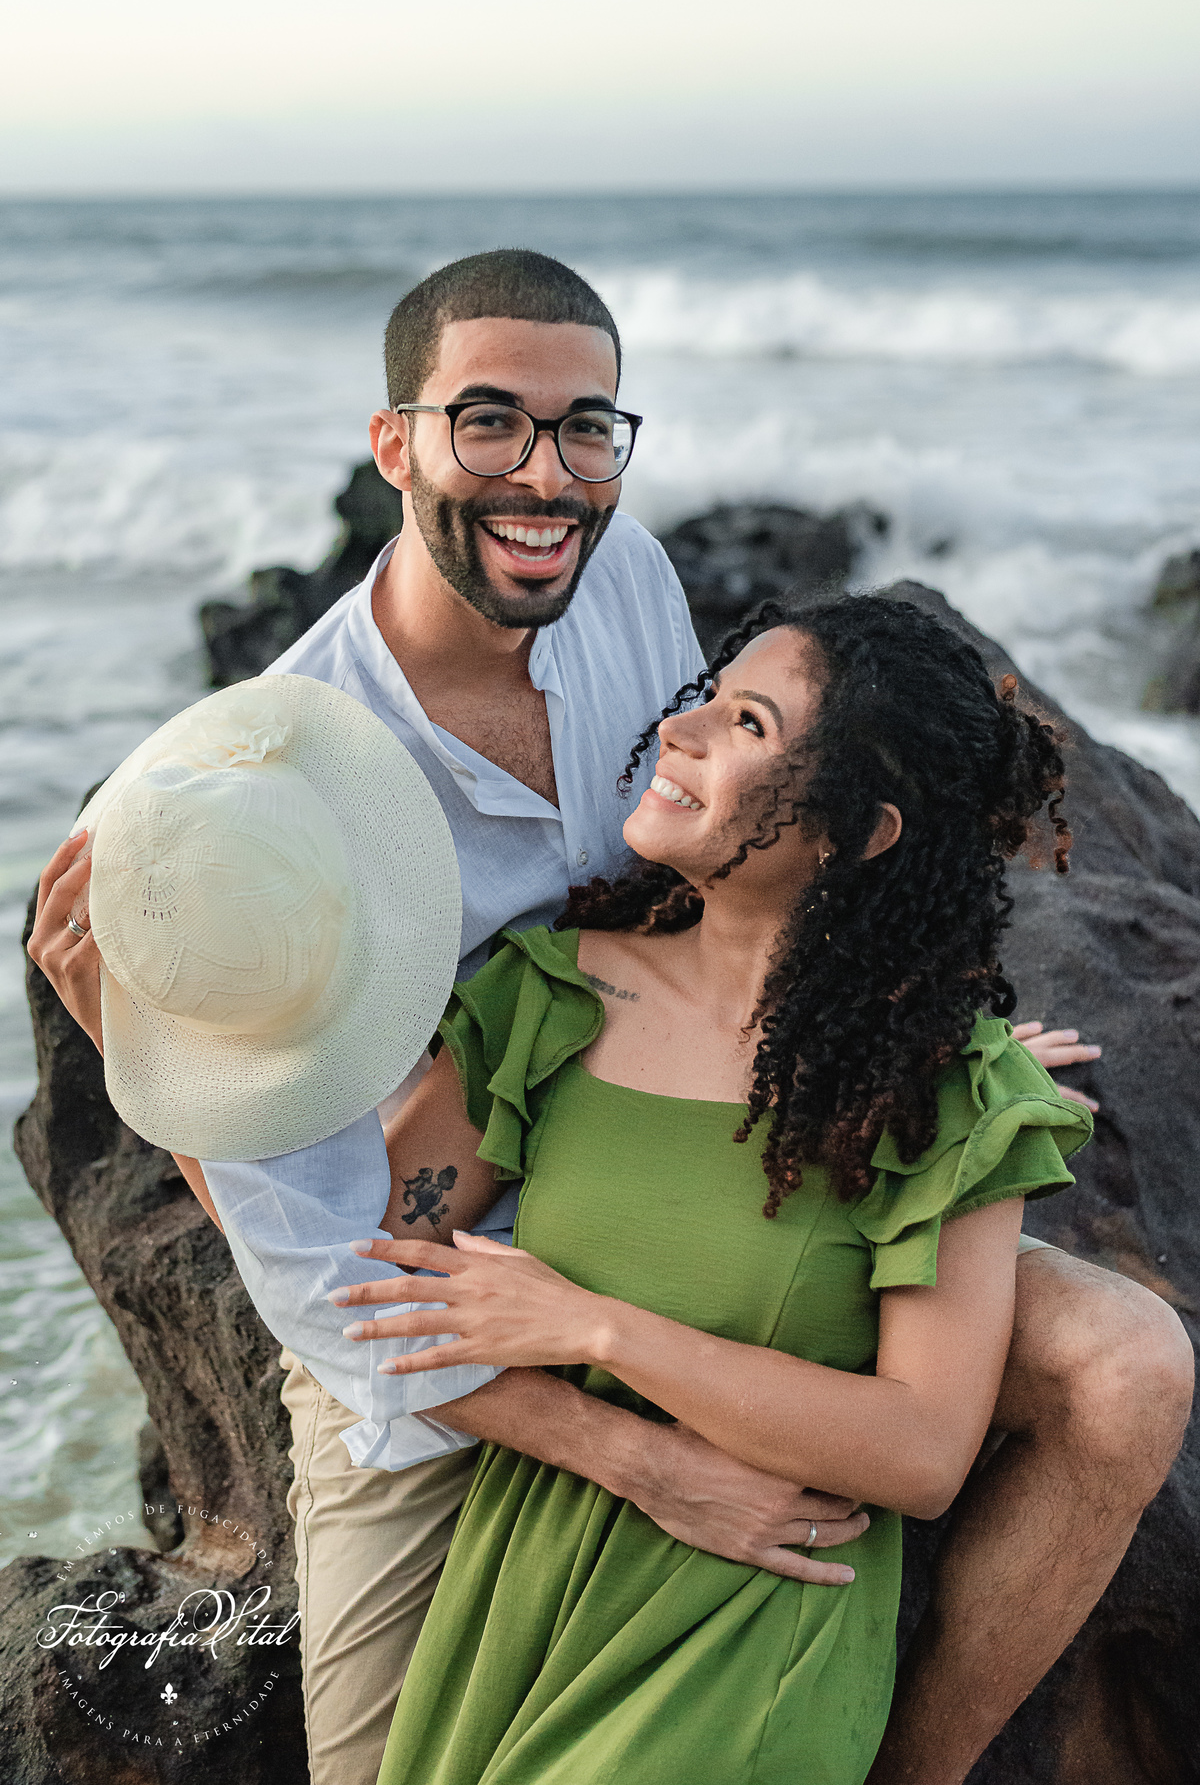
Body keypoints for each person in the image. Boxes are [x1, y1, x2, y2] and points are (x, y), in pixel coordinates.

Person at [27, 250, 1193, 1785]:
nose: (549, 476)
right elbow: (330, 1265)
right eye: (490, 423)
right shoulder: (282, 788)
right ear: (397, 446)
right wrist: (649, 1459)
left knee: (1127, 1367)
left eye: (588, 428)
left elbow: (764, 855)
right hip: (446, 1275)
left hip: (721, 1150)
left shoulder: (621, 578)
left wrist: (924, 1058)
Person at [331, 594, 1089, 1784]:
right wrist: (186, 1055)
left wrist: (593, 1325)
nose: (681, 729)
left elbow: (924, 1447)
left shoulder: (943, 1093)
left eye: (748, 723)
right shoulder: (554, 994)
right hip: (523, 1608)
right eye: (709, 695)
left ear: (856, 832)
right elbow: (365, 1292)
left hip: (753, 1635)